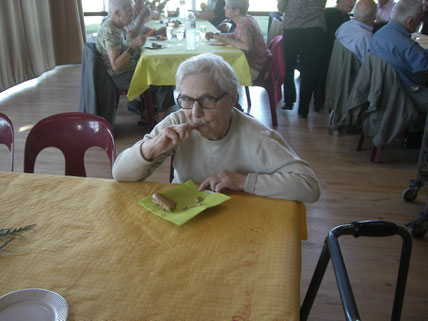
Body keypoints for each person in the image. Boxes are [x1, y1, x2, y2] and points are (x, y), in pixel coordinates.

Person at [112, 53, 321, 203]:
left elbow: (309, 186)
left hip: (238, 217)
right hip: (185, 215)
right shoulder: (176, 122)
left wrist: (242, 182)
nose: (195, 113)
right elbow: (119, 174)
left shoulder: (256, 137)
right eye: (186, 99)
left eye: (207, 99)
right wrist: (151, 148)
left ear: (232, 99)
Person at [96, 0, 174, 121]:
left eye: (132, 11)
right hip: (121, 77)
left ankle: (149, 113)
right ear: (117, 13)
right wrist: (133, 46)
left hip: (129, 70)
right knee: (163, 80)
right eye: (129, 12)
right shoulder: (110, 30)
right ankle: (161, 123)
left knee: (161, 70)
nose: (132, 15)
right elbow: (116, 65)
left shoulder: (118, 26)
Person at [368, 0, 428, 112]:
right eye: (419, 20)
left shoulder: (380, 33)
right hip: (406, 93)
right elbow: (424, 64)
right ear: (410, 21)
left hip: (382, 90)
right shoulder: (407, 46)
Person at [278, 0, 327, 118]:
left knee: (289, 66)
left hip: (292, 27)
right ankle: (304, 108)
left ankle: (289, 100)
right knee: (309, 70)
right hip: (315, 28)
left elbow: (281, 7)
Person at [206, 0, 270, 81]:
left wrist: (225, 39)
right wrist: (216, 36)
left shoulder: (243, 22)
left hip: (255, 68)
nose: (224, 7)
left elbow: (246, 47)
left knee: (217, 70)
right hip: (261, 64)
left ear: (237, 11)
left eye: (227, 6)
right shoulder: (246, 18)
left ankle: (225, 93)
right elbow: (235, 35)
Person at [314, 0, 355, 111]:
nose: (352, 3)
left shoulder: (345, 16)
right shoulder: (330, 15)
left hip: (335, 53)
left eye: (354, 1)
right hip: (326, 53)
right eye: (350, 0)